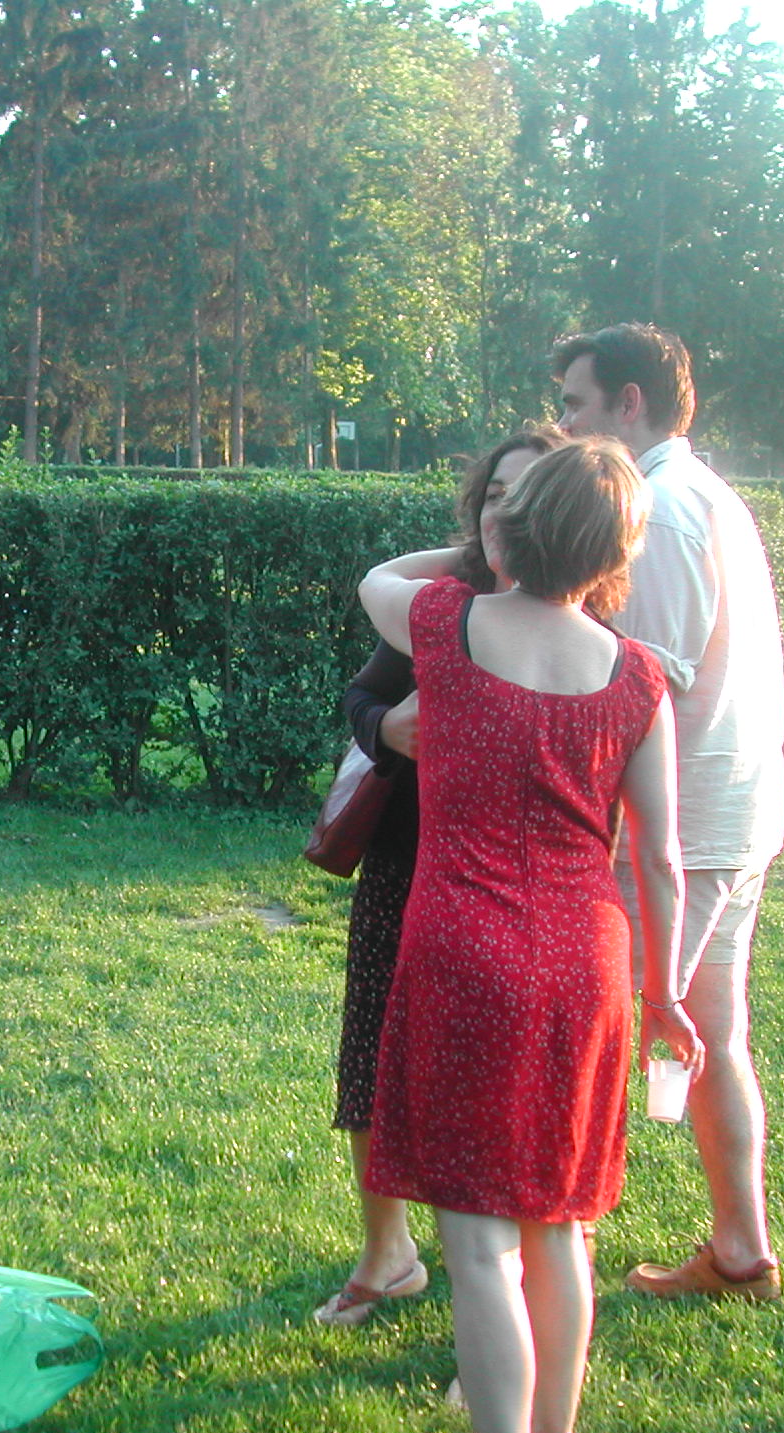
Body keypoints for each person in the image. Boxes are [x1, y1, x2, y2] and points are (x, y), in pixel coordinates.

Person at [360, 439, 700, 1433]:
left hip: (465, 953)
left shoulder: (446, 625)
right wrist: (666, 992)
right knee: (559, 1225)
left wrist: (480, 549)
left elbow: (375, 578)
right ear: (617, 554)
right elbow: (659, 861)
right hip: (588, 965)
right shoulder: (638, 677)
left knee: (478, 1249)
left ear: (514, 525)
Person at [553, 323, 784, 1300]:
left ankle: (545, 1265)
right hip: (726, 817)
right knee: (712, 1037)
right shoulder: (706, 493)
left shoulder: (665, 505)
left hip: (682, 830)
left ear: (629, 403)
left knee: (595, 1043)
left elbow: (650, 676)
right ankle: (740, 1254)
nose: (566, 425)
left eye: (576, 404)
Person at [318, 426, 564, 1328]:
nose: (506, 512)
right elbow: (363, 695)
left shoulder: (582, 623)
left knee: (501, 1086)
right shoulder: (440, 606)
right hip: (406, 860)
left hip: (509, 881)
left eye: (527, 496)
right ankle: (388, 1256)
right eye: (494, 495)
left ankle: (507, 1308)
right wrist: (389, 729)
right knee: (373, 1051)